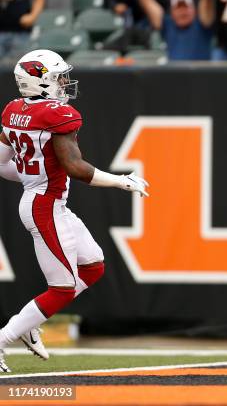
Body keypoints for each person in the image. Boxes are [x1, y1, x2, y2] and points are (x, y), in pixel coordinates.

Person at [0, 49, 149, 372]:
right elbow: (76, 168)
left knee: (93, 267)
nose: (64, 83)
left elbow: (2, 164)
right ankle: (5, 336)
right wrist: (120, 181)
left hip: (45, 202)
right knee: (62, 289)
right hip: (46, 206)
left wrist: (30, 177)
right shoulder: (56, 115)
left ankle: (28, 323)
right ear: (38, 82)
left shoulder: (13, 110)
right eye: (57, 77)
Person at [139, 0, 214, 60]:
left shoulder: (202, 24)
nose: (182, 12)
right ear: (172, 12)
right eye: (178, 8)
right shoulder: (168, 25)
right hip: (174, 75)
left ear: (193, 9)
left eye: (186, 7)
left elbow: (207, 4)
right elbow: (149, 4)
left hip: (201, 74)